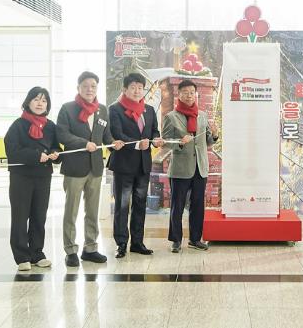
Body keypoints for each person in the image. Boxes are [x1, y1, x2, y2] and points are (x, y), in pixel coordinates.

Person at [56, 71, 124, 267]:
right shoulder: (68, 109)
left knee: (92, 211)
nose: (89, 89)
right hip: (74, 168)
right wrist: (83, 143)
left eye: (93, 86)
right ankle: (70, 250)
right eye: (85, 86)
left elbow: (106, 136)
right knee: (71, 211)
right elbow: (62, 135)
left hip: (95, 168)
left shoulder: (101, 110)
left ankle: (91, 248)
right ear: (78, 88)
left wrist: (114, 143)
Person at [4, 87, 61, 271]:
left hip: (43, 177)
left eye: (44, 100)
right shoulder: (18, 125)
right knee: (20, 217)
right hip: (21, 177)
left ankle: (37, 253)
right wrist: (36, 155)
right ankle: (22, 256)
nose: (40, 103)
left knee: (39, 216)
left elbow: (56, 147)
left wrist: (55, 154)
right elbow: (12, 151)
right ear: (28, 102)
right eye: (36, 99)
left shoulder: (50, 126)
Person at [108, 73, 164, 258]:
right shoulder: (115, 109)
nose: (137, 91)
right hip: (123, 164)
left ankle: (137, 243)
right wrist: (138, 144)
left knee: (140, 205)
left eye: (140, 88)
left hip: (143, 165)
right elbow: (117, 133)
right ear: (125, 89)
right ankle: (121, 243)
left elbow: (154, 131)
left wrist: (156, 139)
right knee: (122, 206)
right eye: (133, 87)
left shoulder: (149, 110)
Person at [162, 79, 218, 253]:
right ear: (179, 94)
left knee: (198, 206)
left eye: (192, 92)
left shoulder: (202, 115)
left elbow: (208, 141)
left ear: (196, 94)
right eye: (185, 92)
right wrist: (179, 142)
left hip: (200, 167)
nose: (189, 95)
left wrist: (215, 134)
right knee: (177, 207)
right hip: (180, 169)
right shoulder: (171, 117)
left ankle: (195, 239)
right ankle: (176, 240)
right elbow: (166, 142)